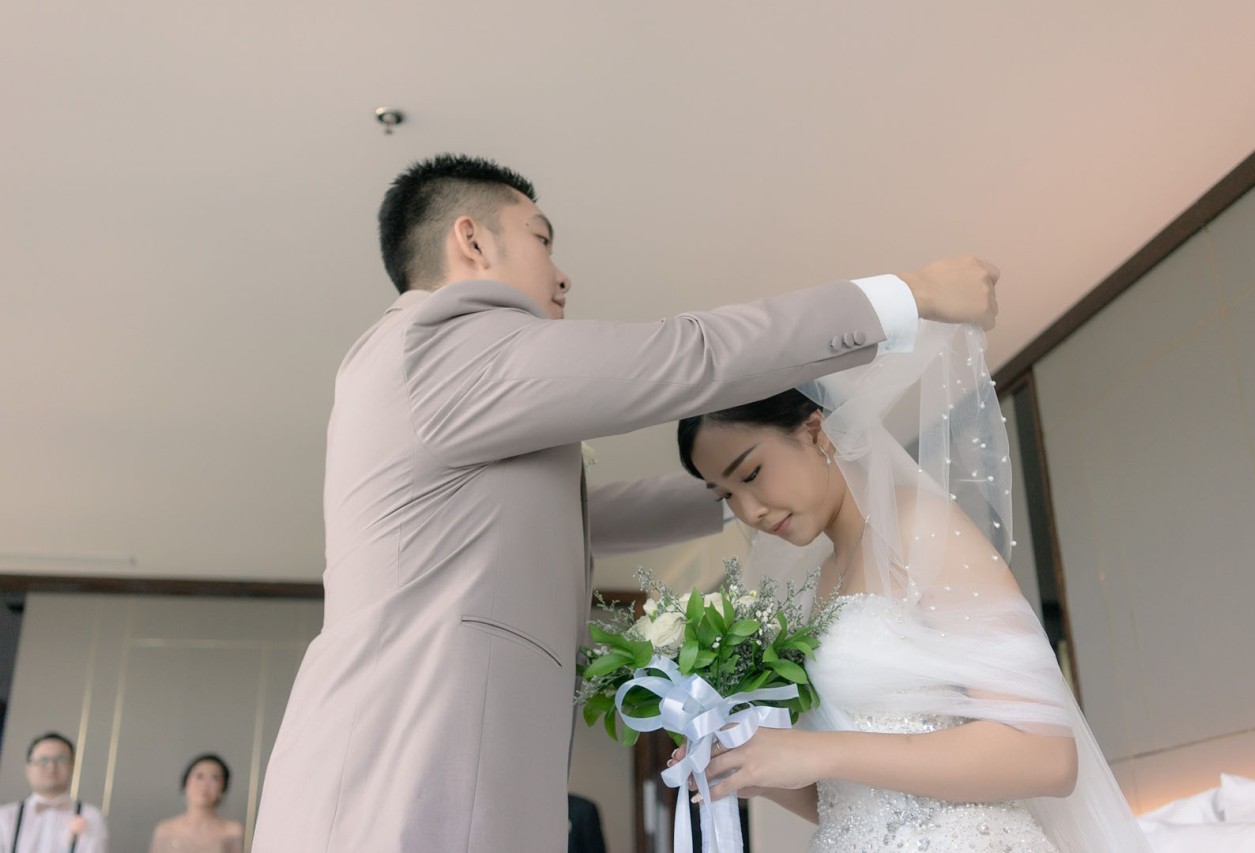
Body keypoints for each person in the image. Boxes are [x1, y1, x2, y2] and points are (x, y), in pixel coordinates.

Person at [251, 152, 1000, 852]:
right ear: (472, 241)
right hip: (404, 773)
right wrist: (909, 293)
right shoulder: (437, 342)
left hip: (424, 770)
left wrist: (749, 487)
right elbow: (685, 355)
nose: (563, 275)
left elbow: (582, 516)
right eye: (541, 238)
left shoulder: (421, 377)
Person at [674, 321, 1153, 851]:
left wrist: (818, 751)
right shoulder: (818, 586)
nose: (749, 512)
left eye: (750, 474)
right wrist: (754, 772)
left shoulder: (922, 530)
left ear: (814, 431)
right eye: (725, 496)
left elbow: (1048, 756)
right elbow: (858, 803)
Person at [0, 732, 108, 853]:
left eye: (61, 760)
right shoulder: (4, 816)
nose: (52, 767)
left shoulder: (91, 816)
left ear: (73, 767)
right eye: (43, 760)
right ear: (28, 768)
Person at [148, 754, 243, 853]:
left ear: (223, 788)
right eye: (199, 776)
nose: (205, 785)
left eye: (214, 778)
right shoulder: (165, 830)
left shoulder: (233, 832)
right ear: (185, 784)